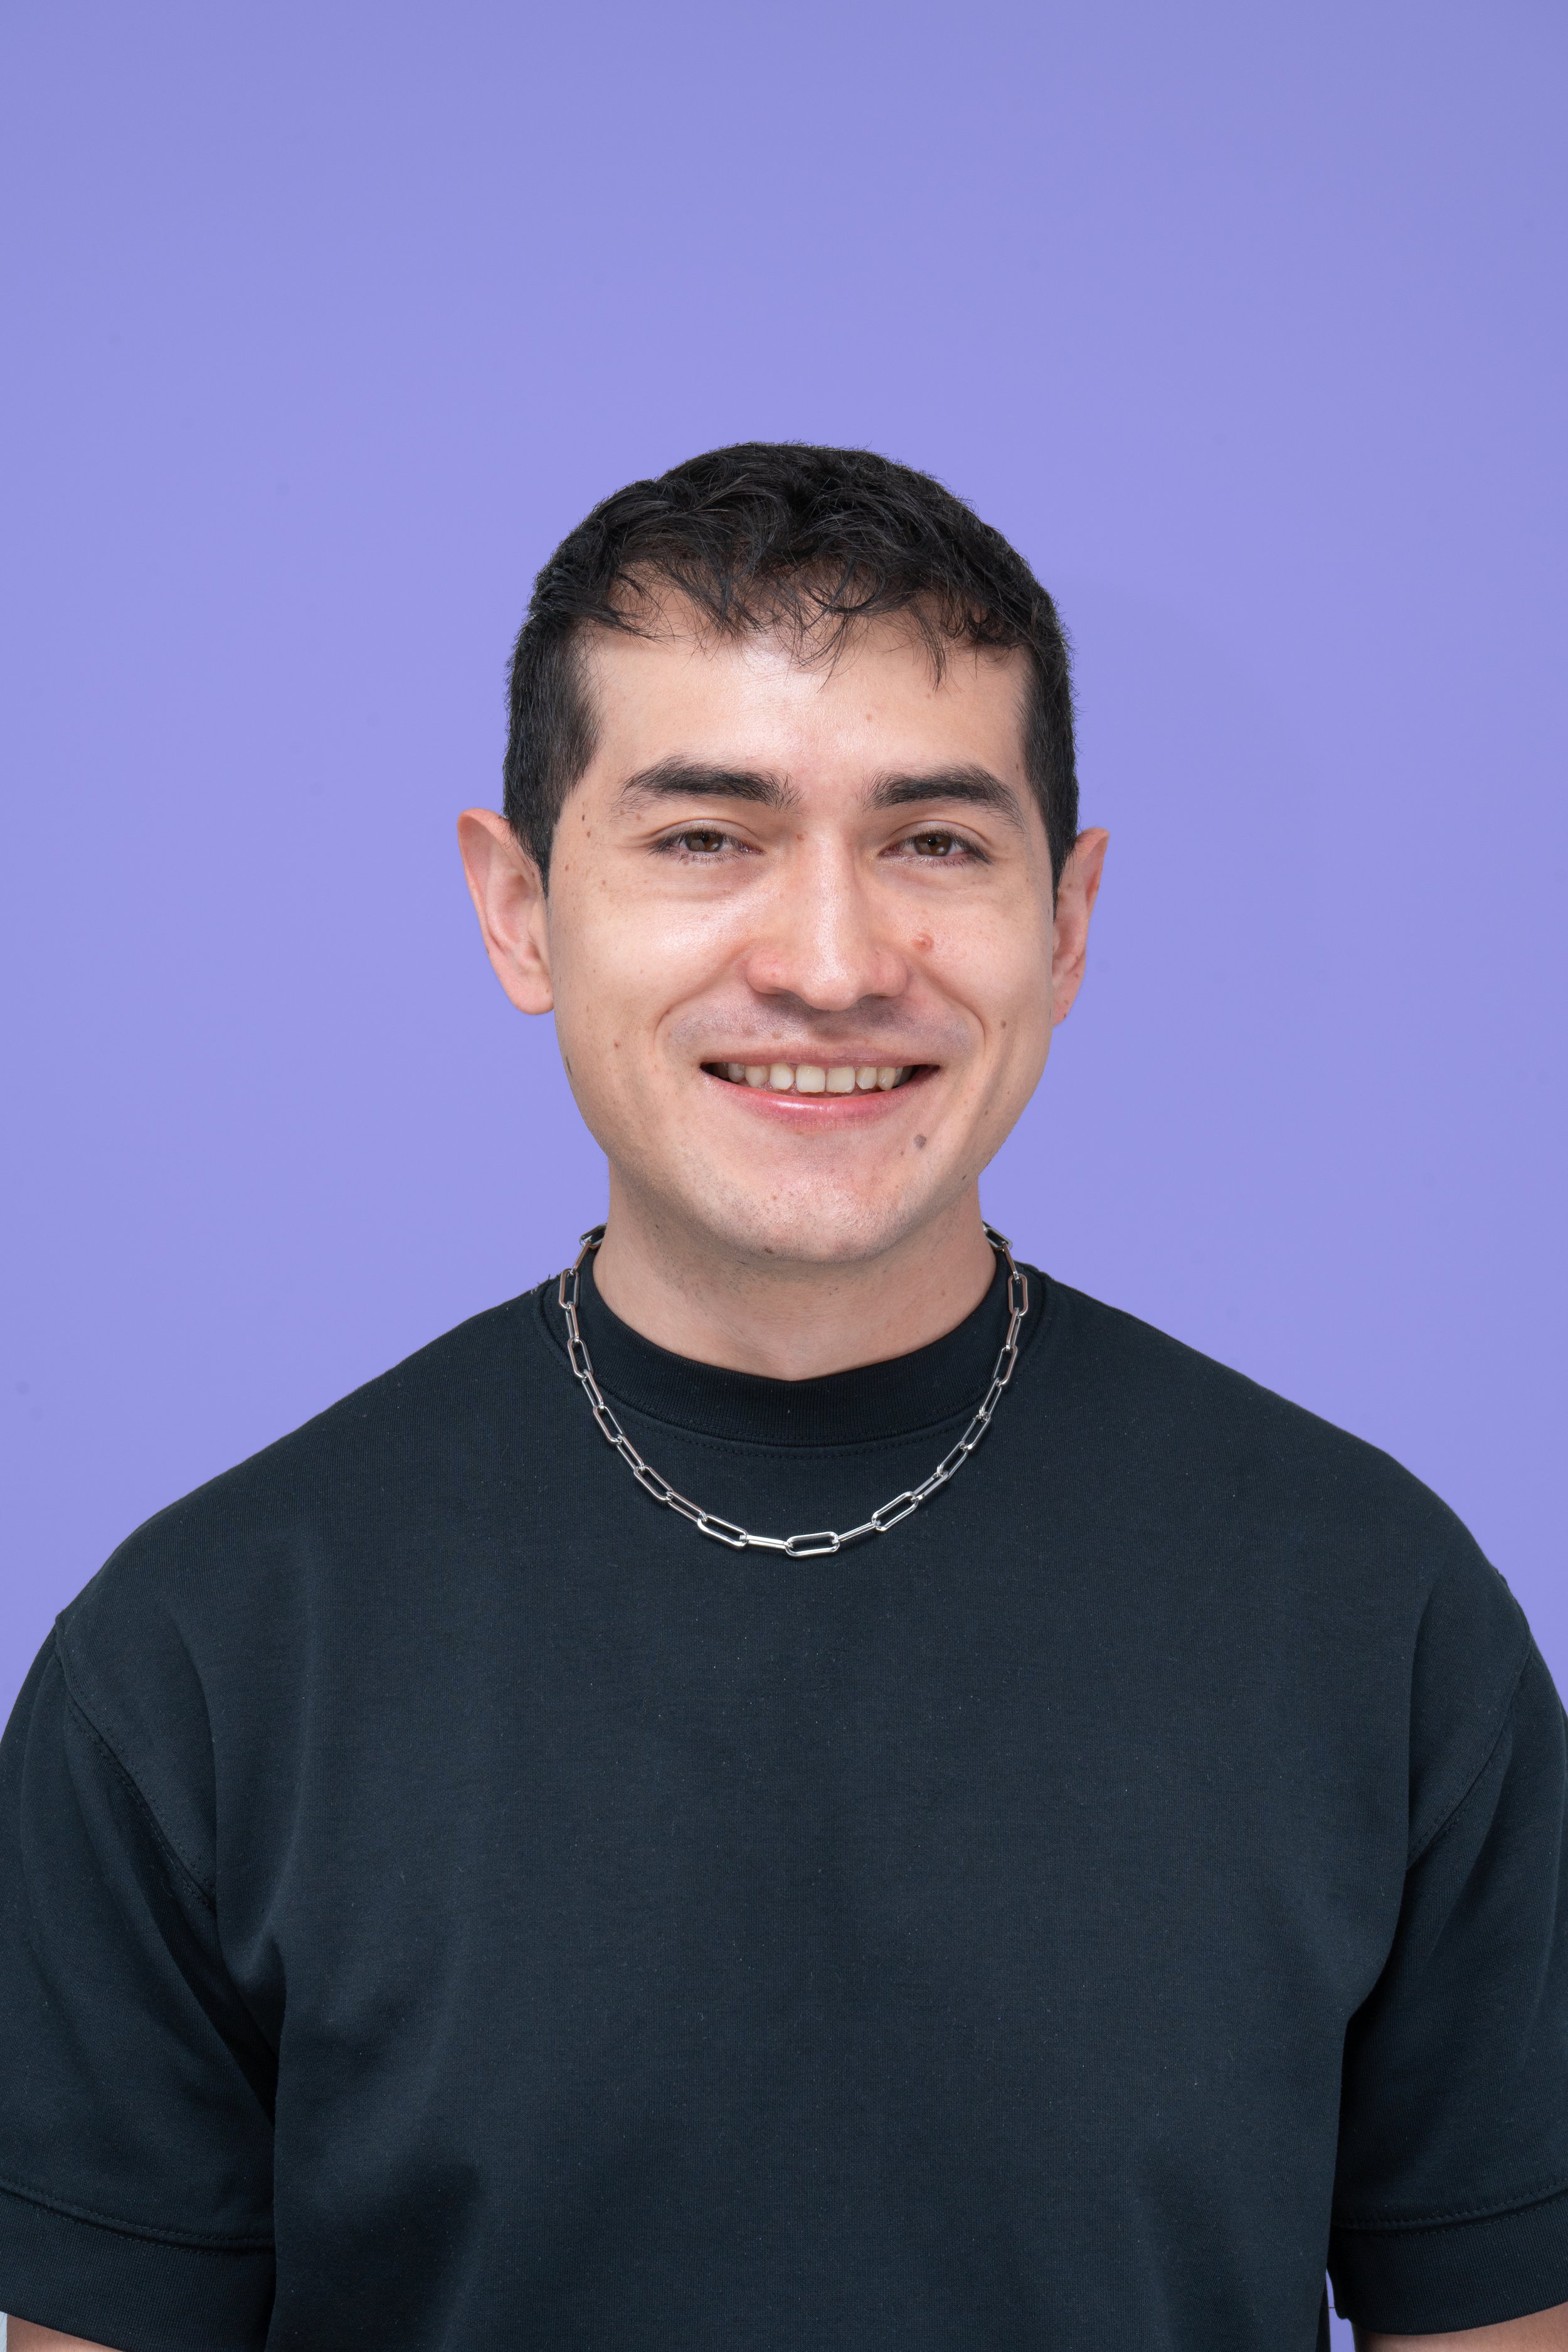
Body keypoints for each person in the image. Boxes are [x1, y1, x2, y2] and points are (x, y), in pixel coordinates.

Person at [1, 443, 1564, 2352]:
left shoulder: (1376, 1618)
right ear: (517, 910)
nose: (831, 964)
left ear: (1064, 924)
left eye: (933, 841)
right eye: (702, 836)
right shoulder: (200, 1663)